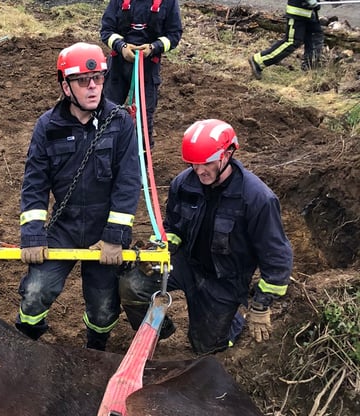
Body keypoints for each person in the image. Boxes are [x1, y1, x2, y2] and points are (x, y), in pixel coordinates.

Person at [119, 119, 293, 355]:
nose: (200, 171)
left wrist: (261, 305)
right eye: (194, 163)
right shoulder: (183, 183)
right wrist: (162, 249)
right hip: (186, 264)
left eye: (208, 163)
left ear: (228, 154)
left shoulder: (257, 198)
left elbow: (277, 257)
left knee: (207, 348)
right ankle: (158, 330)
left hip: (224, 280)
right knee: (132, 286)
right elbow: (172, 226)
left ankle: (232, 320)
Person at [15, 42, 141, 352]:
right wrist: (32, 235)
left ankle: (96, 346)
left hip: (104, 231)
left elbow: (128, 184)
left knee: (103, 307)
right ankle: (27, 343)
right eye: (83, 81)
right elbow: (35, 183)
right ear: (65, 86)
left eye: (98, 78)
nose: (93, 87)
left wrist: (115, 237)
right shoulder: (48, 126)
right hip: (64, 227)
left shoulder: (121, 123)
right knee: (35, 292)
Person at [100, 0, 182, 148]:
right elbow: (106, 31)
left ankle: (142, 162)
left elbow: (174, 35)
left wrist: (153, 47)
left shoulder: (168, 2)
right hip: (118, 68)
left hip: (148, 69)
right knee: (106, 113)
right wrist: (121, 46)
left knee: (143, 120)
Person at [248, 0, 323, 80]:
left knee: (314, 38)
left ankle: (309, 72)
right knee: (292, 42)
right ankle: (259, 61)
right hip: (297, 13)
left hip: (310, 13)